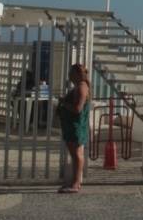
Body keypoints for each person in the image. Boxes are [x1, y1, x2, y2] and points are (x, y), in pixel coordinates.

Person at [57, 63, 91, 193]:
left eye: (71, 73)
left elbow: (77, 108)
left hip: (76, 126)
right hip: (73, 125)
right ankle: (74, 181)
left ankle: (76, 183)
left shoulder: (81, 87)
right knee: (75, 154)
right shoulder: (79, 86)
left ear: (77, 74)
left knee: (77, 155)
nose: (69, 75)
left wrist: (64, 103)